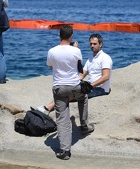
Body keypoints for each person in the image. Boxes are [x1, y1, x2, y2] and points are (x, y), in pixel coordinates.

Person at [32, 33, 113, 114]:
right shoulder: (91, 59)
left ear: (100, 44)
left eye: (95, 44)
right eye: (91, 44)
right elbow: (81, 75)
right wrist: (71, 81)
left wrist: (90, 86)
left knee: (72, 94)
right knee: (69, 89)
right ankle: (47, 107)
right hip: (90, 86)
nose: (92, 46)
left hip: (101, 89)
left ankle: (47, 108)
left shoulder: (105, 57)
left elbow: (106, 77)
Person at [47, 24, 94, 160]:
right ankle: (84, 125)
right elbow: (79, 69)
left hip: (59, 88)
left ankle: (65, 151)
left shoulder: (52, 51)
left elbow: (51, 66)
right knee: (83, 97)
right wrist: (75, 49)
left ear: (59, 35)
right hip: (74, 87)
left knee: (62, 118)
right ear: (71, 36)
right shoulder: (76, 51)